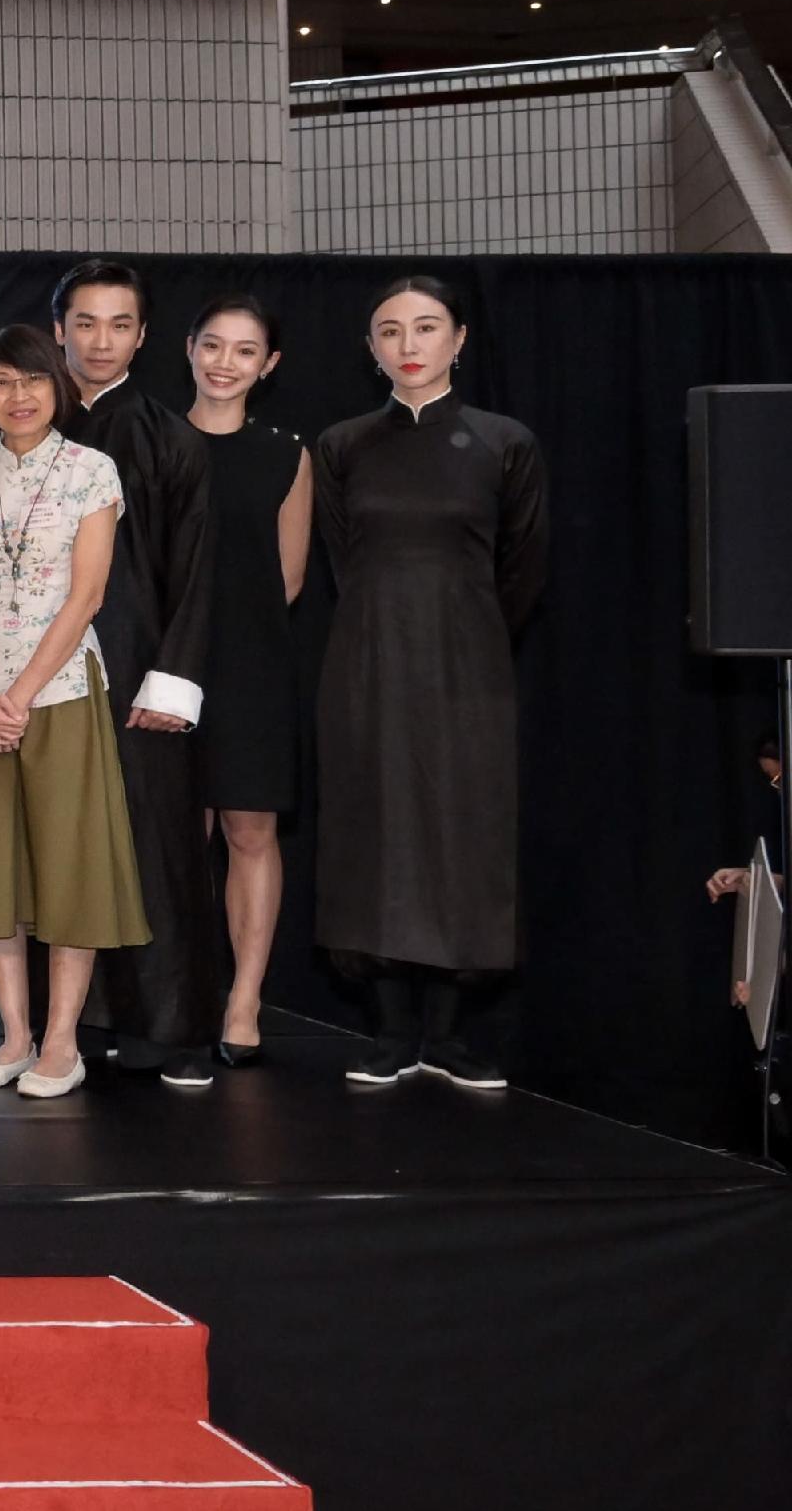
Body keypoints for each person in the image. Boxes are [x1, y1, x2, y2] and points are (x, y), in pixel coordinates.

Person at [314, 275, 547, 1090]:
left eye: (425, 327)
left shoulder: (504, 441)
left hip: (469, 667)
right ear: (372, 349)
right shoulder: (342, 444)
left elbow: (521, 568)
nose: (407, 346)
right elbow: (341, 558)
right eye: (389, 331)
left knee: (461, 835)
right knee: (372, 830)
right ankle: (388, 1030)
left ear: (459, 339)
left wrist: (470, 633)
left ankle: (446, 1037)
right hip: (367, 659)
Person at [0, 322, 148, 1101]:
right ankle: (13, 1035)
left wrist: (21, 694)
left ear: (55, 385)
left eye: (30, 380)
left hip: (56, 695)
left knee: (68, 867)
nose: (17, 396)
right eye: (0, 382)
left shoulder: (91, 471)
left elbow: (89, 593)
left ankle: (62, 1042)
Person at [49, 259, 224, 1086]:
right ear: (60, 331)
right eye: (86, 323)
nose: (101, 340)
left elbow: (197, 571)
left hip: (138, 675)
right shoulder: (26, 432)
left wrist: (171, 679)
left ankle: (172, 1030)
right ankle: (77, 1026)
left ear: (145, 336)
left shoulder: (169, 437)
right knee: (63, 850)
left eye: (120, 325)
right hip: (42, 683)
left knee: (157, 846)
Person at [179, 294, 308, 1069]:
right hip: (166, 669)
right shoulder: (150, 442)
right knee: (177, 839)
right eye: (213, 345)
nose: (226, 363)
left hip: (254, 666)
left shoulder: (289, 453)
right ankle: (185, 992)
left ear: (269, 365)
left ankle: (244, 1002)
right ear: (188, 349)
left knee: (250, 833)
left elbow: (290, 577)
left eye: (245, 350)